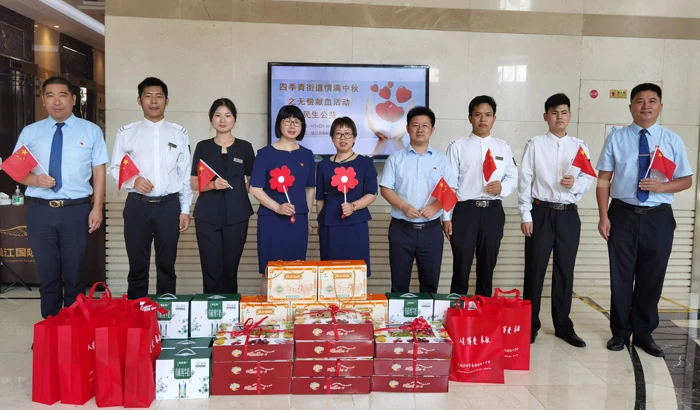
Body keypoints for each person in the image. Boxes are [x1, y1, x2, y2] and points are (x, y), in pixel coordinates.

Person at [596, 83, 693, 357]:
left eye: (652, 100)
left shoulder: (672, 140)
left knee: (652, 276)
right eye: (639, 101)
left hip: (658, 217)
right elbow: (603, 180)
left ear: (660, 106)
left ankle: (644, 333)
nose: (646, 106)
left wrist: (662, 187)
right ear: (631, 107)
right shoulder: (616, 139)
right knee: (621, 276)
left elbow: (686, 180)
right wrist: (603, 216)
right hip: (622, 214)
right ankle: (620, 332)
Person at [16, 76, 109, 318]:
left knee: (75, 274)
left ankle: (73, 328)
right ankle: (51, 327)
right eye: (50, 95)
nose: (56, 101)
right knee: (48, 274)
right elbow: (17, 171)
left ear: (73, 99)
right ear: (43, 100)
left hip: (76, 211)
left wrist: (97, 208)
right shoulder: (30, 132)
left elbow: (99, 172)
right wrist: (36, 181)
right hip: (40, 211)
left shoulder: (91, 131)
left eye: (62, 95)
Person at [519, 93, 593, 347]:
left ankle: (563, 325)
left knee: (565, 270)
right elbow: (525, 180)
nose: (559, 117)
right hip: (541, 212)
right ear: (545, 116)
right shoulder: (535, 145)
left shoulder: (579, 146)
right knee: (535, 269)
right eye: (554, 113)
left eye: (563, 112)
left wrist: (575, 184)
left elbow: (588, 177)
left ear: (569, 116)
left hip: (569, 215)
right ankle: (530, 325)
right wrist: (526, 214)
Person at [108, 77, 193, 299]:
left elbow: (184, 174)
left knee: (167, 265)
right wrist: (133, 181)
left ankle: (166, 312)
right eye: (148, 96)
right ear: (139, 100)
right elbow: (114, 168)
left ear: (167, 101)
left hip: (169, 206)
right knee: (137, 266)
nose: (153, 101)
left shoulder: (179, 133)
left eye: (158, 97)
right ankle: (137, 313)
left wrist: (185, 209)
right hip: (137, 206)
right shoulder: (126, 133)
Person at [444, 96, 517, 297]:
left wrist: (502, 187)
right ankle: (457, 309)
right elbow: (449, 185)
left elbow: (513, 176)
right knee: (461, 266)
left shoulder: (503, 147)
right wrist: (446, 217)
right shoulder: (457, 146)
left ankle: (483, 309)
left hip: (493, 212)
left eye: (488, 115)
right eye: (478, 114)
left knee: (487, 267)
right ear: (470, 118)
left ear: (494, 118)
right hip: (465, 211)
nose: (483, 119)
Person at [380, 106, 456, 293]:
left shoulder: (442, 160)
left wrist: (435, 207)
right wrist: (404, 206)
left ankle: (427, 313)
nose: (420, 130)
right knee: (399, 284)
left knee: (430, 283)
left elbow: (451, 190)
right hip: (401, 228)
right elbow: (385, 189)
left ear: (432, 129)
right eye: (415, 125)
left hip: (431, 230)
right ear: (407, 128)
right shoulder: (395, 158)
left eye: (425, 126)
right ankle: (399, 313)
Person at [190, 98, 254, 294]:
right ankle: (211, 307)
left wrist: (241, 191)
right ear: (211, 118)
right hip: (207, 215)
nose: (223, 120)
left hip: (237, 215)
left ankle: (230, 308)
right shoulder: (203, 146)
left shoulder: (245, 147)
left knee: (230, 267)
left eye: (227, 115)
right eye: (218, 115)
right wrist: (212, 185)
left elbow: (253, 181)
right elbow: (193, 182)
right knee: (210, 267)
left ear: (235, 118)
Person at [249, 105, 315, 287]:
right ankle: (268, 306)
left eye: (297, 122)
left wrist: (306, 216)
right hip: (271, 220)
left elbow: (310, 188)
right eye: (287, 121)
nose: (292, 126)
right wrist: (277, 207)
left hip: (298, 221)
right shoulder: (265, 154)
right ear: (279, 124)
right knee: (270, 271)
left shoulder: (307, 155)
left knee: (296, 271)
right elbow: (255, 188)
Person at [315, 117, 378, 274]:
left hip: (356, 224)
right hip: (329, 225)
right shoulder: (323, 165)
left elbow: (372, 194)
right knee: (330, 272)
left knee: (355, 272)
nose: (342, 138)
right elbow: (320, 199)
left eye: (347, 134)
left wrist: (353, 206)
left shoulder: (365, 163)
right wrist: (320, 222)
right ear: (332, 138)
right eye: (338, 134)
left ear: (354, 138)